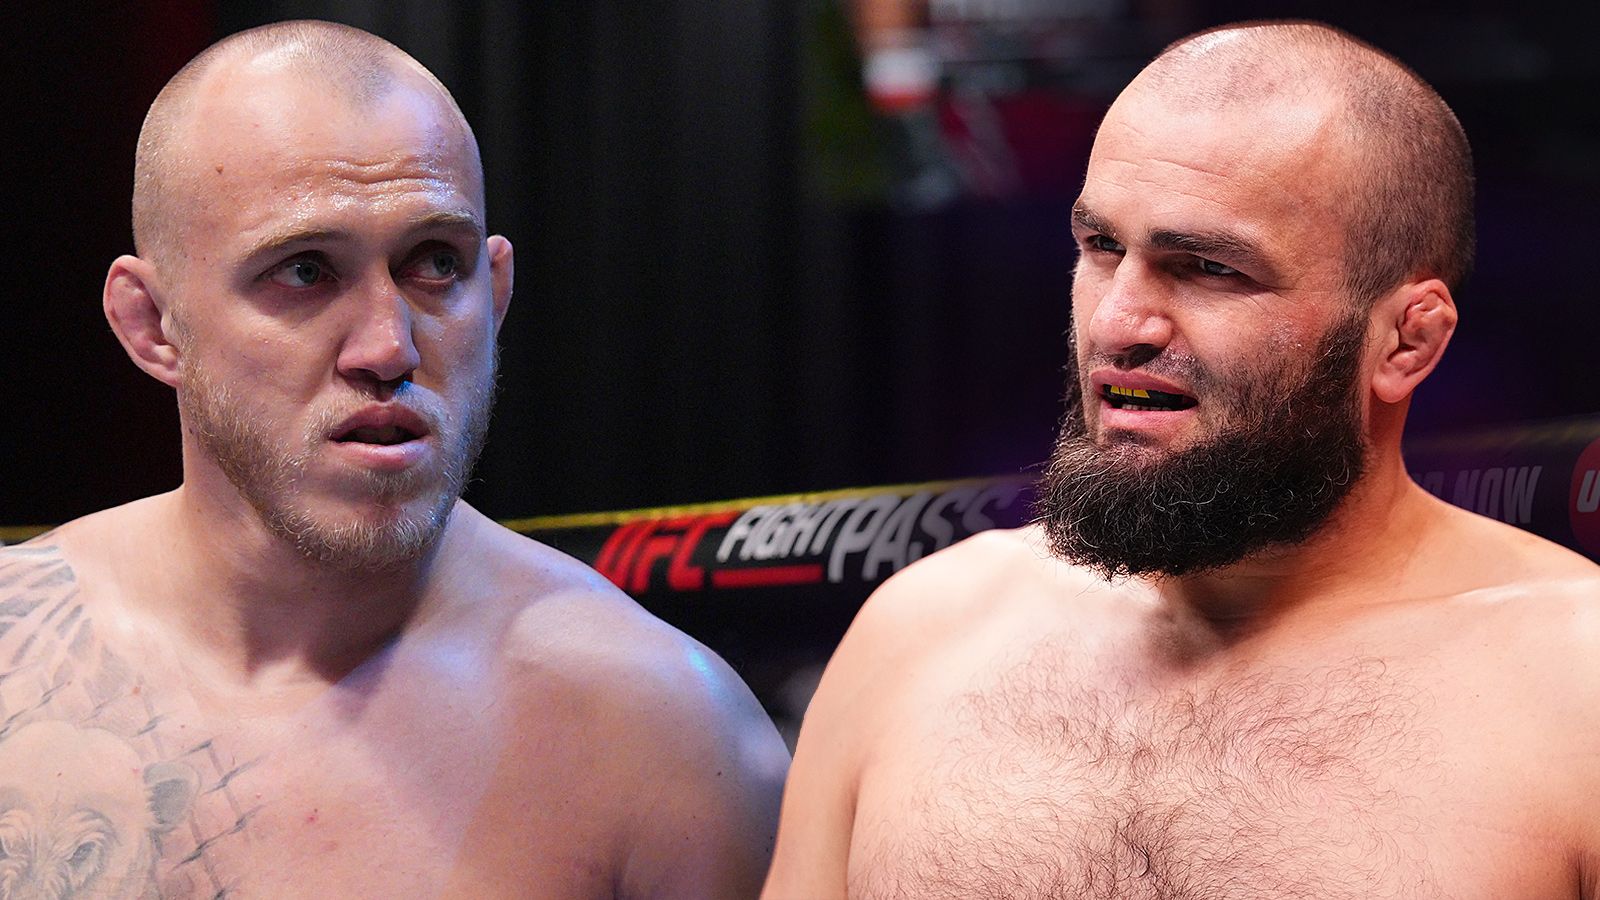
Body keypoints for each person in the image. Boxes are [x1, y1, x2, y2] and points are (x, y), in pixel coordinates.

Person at [764, 19, 1600, 899]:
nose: (1117, 324)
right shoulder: (920, 634)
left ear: (1406, 341)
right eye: (1101, 248)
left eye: (1207, 268)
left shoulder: (1572, 687)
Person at [0, 19, 788, 898]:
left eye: (435, 264)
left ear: (495, 293)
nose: (388, 347)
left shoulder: (662, 736)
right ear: (152, 324)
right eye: (305, 270)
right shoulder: (16, 656)